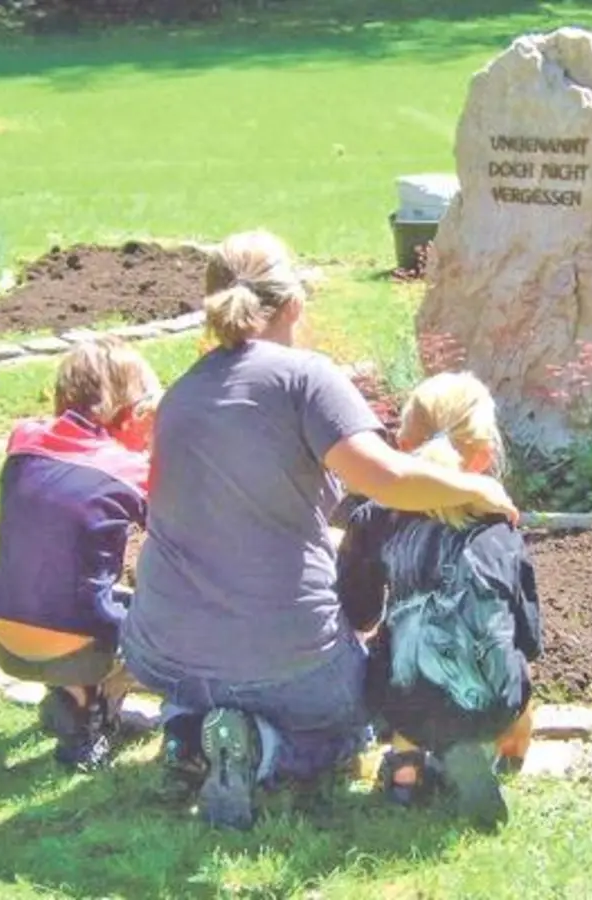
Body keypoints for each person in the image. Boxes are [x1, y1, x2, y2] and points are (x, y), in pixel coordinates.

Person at [119, 230, 518, 830]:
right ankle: (267, 749)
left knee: (212, 676)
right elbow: (385, 479)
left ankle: (191, 732)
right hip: (286, 657)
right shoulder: (305, 379)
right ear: (295, 305)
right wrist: (475, 488)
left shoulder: (181, 394)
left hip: (162, 648)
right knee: (354, 722)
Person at [336, 372, 542, 829]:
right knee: (504, 661)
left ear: (404, 446)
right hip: (492, 696)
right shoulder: (499, 527)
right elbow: (527, 638)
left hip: (405, 695)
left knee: (404, 648)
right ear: (485, 455)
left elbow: (359, 611)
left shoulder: (377, 519)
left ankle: (405, 769)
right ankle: (495, 749)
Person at [0, 336, 161, 771]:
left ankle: (69, 692)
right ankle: (92, 713)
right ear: (132, 411)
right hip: (82, 640)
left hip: (0, 631)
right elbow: (180, 539)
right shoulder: (129, 469)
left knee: (47, 567)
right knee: (169, 608)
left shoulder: (22, 440)